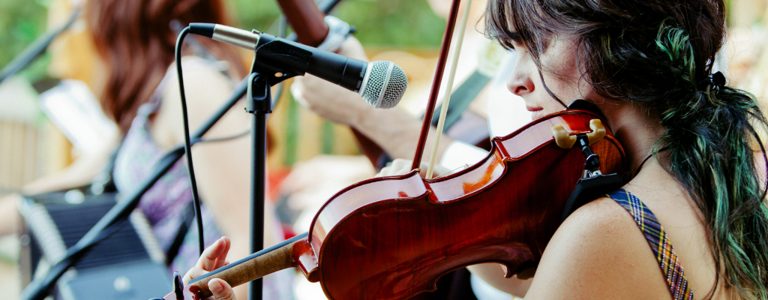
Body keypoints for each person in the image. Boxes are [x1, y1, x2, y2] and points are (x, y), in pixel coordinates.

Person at [187, 0, 768, 299]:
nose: (515, 79)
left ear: (616, 32)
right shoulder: (734, 149)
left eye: (533, 42)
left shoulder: (611, 231)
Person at [2, 0, 291, 299]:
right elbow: (82, 175)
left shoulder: (194, 83)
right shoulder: (157, 90)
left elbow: (252, 240)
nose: (76, 5)